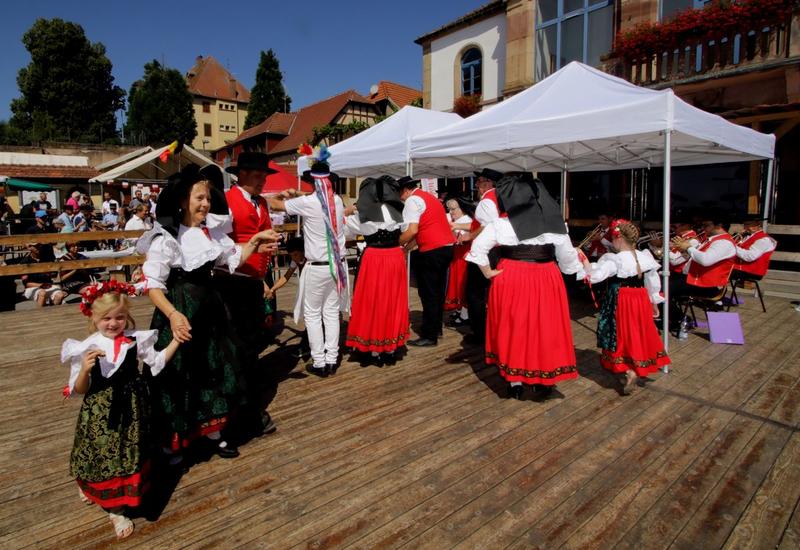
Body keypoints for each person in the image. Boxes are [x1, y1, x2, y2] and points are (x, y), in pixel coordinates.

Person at [138, 163, 279, 461]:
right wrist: (174, 315)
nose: (206, 203)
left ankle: (213, 433)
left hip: (210, 308)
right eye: (199, 198)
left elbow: (232, 258)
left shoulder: (209, 234)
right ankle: (173, 441)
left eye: (208, 198)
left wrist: (254, 241)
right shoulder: (166, 238)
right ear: (181, 201)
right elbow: (152, 284)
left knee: (214, 368)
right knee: (179, 374)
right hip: (179, 308)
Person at [61, 281, 180, 540]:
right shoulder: (87, 347)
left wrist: (176, 342)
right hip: (100, 411)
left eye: (120, 317)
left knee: (129, 449)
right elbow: (80, 389)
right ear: (93, 317)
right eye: (106, 318)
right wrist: (84, 369)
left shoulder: (136, 340)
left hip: (133, 406)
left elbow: (157, 362)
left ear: (127, 317)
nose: (113, 323)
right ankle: (114, 509)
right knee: (100, 452)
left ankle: (119, 501)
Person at [466, 174, 582, 400]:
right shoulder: (555, 223)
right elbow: (568, 263)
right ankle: (543, 378)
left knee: (514, 326)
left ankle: (515, 380)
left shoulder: (501, 224)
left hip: (511, 276)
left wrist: (488, 272)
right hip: (545, 277)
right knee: (543, 327)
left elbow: (478, 250)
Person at [267, 150, 349, 376]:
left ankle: (320, 361)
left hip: (317, 267)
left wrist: (285, 194)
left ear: (313, 181)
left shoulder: (308, 202)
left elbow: (273, 204)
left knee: (313, 315)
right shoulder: (338, 201)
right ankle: (332, 359)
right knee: (331, 313)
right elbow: (319, 198)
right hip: (338, 265)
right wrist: (299, 193)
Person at [220, 151, 279, 435]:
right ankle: (243, 410)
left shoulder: (262, 202)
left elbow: (265, 230)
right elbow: (220, 244)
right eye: (258, 177)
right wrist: (255, 245)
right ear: (241, 174)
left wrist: (265, 275)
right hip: (232, 282)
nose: (262, 182)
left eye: (264, 177)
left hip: (254, 281)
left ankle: (247, 406)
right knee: (238, 348)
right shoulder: (226, 201)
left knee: (251, 344)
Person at [581, 220, 670, 395]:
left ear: (618, 238)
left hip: (621, 299)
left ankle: (628, 370)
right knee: (636, 333)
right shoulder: (644, 256)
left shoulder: (615, 259)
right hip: (640, 298)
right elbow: (652, 280)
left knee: (619, 334)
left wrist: (584, 261)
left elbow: (595, 276)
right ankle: (635, 367)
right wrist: (653, 301)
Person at [344, 176, 409, 364]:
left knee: (373, 301)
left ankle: (374, 349)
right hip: (395, 257)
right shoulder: (398, 210)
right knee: (392, 300)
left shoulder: (363, 213)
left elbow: (347, 230)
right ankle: (389, 348)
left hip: (374, 258)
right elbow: (407, 229)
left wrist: (347, 212)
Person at [398, 176, 455, 347]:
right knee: (437, 292)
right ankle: (436, 328)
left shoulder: (412, 200)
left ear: (405, 190)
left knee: (428, 293)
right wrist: (407, 248)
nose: (400, 197)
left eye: (399, 193)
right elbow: (424, 228)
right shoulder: (428, 197)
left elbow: (412, 230)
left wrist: (397, 244)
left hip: (432, 250)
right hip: (445, 247)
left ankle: (429, 335)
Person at [669, 213, 736, 332]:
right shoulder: (710, 240)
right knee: (661, 285)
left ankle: (681, 320)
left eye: (706, 225)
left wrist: (688, 248)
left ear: (719, 226)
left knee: (662, 291)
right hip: (695, 280)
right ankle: (676, 318)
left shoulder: (724, 243)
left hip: (707, 285)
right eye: (702, 225)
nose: (703, 228)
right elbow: (693, 259)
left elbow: (705, 260)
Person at [458, 169, 503, 344]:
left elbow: (488, 226)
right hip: (498, 250)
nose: (476, 184)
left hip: (488, 250)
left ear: (489, 183)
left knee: (475, 293)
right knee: (487, 292)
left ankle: (480, 334)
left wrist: (469, 236)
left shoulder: (487, 201)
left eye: (479, 181)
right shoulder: (500, 198)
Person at [267, 237, 310, 359]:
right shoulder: (295, 261)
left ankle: (307, 346)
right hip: (306, 291)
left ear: (303, 251)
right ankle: (309, 344)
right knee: (310, 319)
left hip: (316, 290)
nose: (294, 258)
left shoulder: (311, 257)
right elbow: (286, 276)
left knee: (314, 319)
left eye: (296, 254)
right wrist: (273, 289)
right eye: (292, 256)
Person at [444, 198, 473, 325]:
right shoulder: (456, 220)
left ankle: (465, 314)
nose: (451, 212)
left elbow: (467, 237)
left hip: (464, 257)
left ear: (462, 208)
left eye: (453, 209)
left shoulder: (467, 221)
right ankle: (459, 308)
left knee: (463, 284)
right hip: (458, 256)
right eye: (449, 209)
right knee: (457, 283)